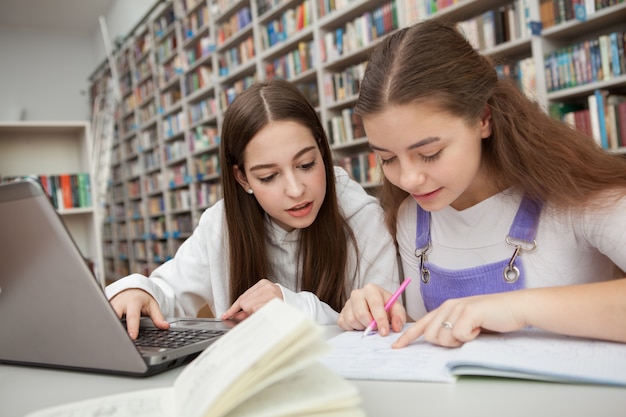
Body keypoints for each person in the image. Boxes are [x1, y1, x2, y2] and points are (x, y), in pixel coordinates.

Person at [337, 19, 626, 347]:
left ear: (483, 119)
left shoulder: (576, 195)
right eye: (387, 158)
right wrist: (380, 311)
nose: (408, 179)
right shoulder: (411, 219)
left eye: (430, 153)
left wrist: (519, 308)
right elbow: (424, 341)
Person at [106, 78, 399, 339]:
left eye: (306, 164)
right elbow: (169, 292)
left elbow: (381, 326)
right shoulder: (220, 225)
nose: (296, 190)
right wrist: (138, 289)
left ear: (322, 151)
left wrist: (290, 305)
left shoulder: (364, 218)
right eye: (269, 176)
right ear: (243, 178)